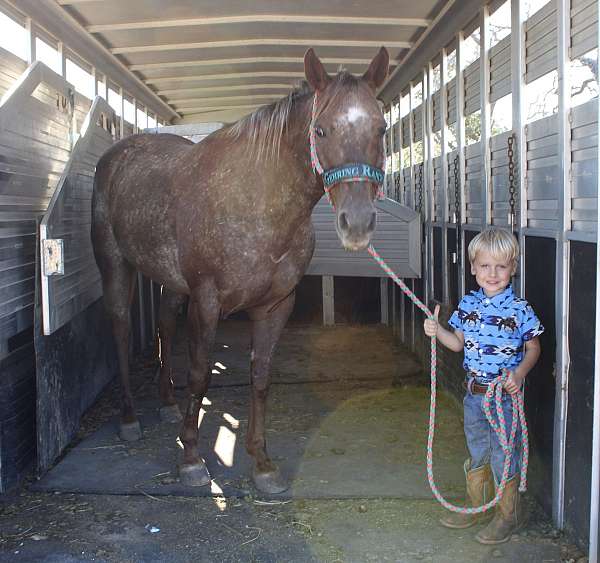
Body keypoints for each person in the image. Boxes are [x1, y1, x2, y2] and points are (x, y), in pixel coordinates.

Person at [423, 227, 543, 545]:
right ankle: (480, 506)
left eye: (501, 266)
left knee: (505, 454)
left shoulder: (520, 310)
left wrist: (518, 375)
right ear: (474, 267)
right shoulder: (468, 305)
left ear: (512, 268)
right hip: (473, 395)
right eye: (485, 266)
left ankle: (508, 516)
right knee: (478, 451)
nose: (493, 273)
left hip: (503, 397)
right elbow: (456, 344)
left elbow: (534, 349)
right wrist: (436, 332)